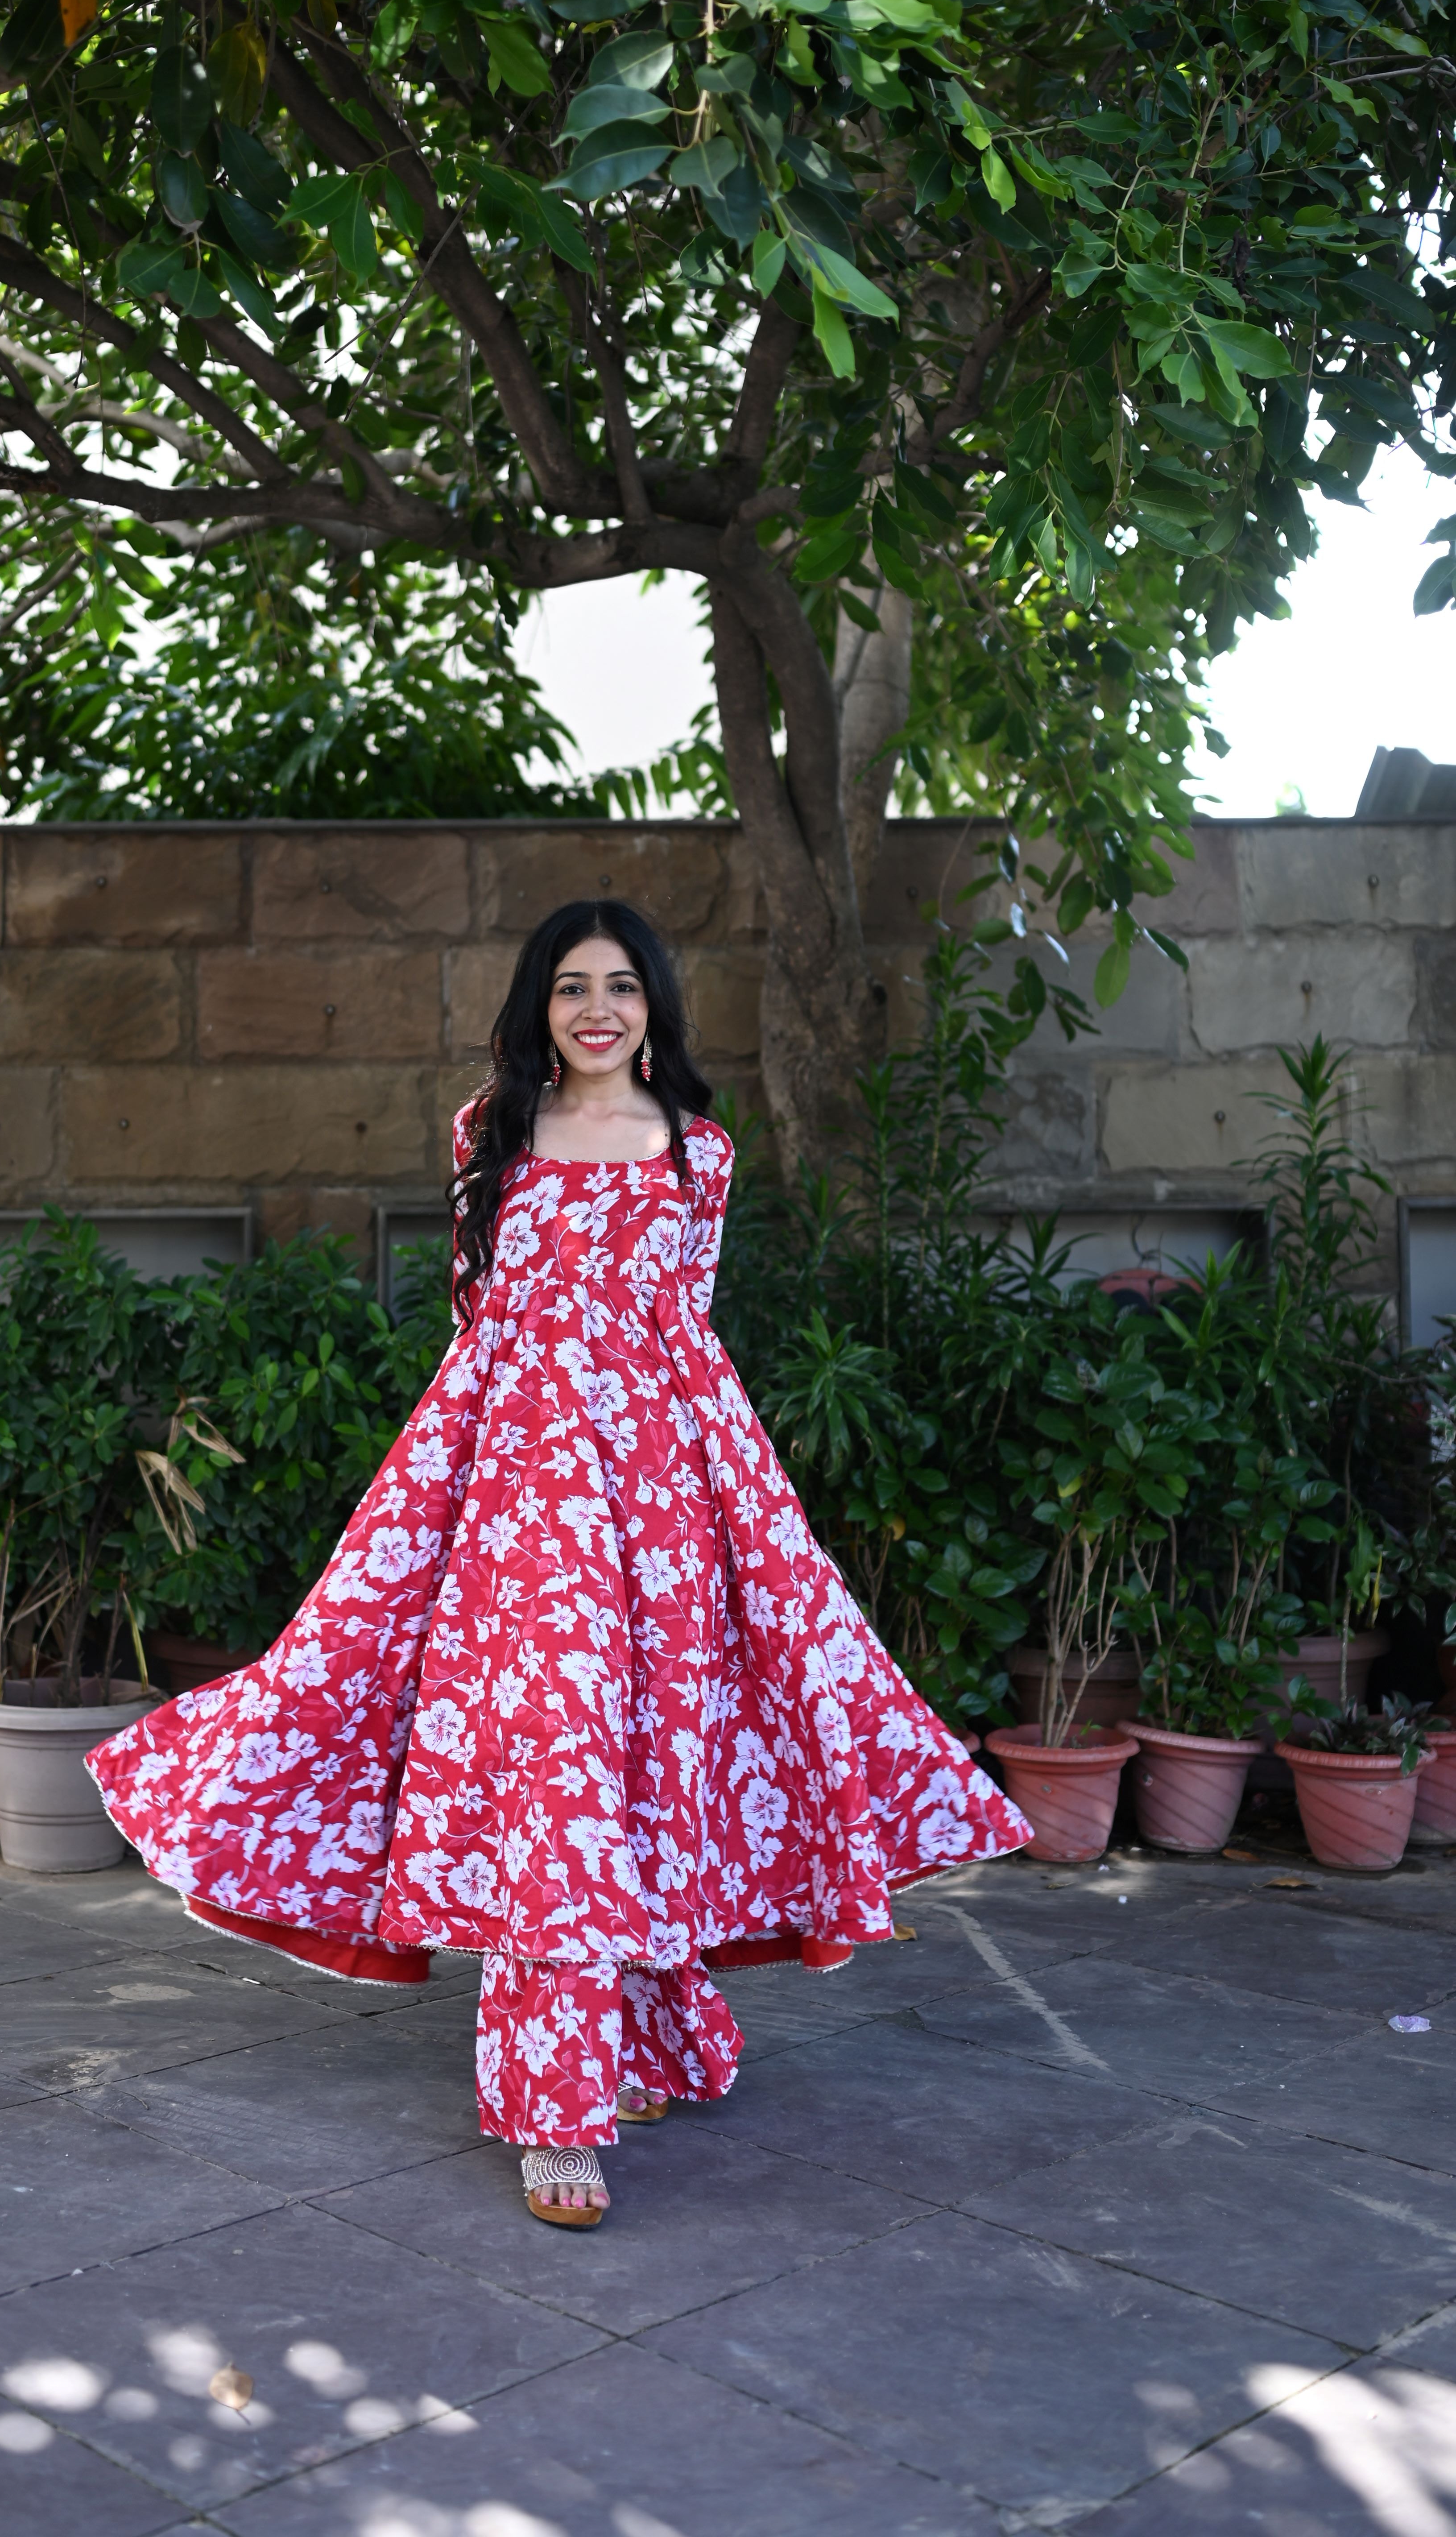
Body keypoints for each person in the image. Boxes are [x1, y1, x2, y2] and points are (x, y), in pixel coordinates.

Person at [88, 901, 1030, 2228]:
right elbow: (483, 1326)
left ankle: (642, 2035)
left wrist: (728, 1523)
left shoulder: (700, 1154)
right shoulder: (491, 1136)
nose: (599, 1008)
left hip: (666, 1496)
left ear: (657, 1009)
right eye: (573, 986)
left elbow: (686, 1339)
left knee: (656, 1756)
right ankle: (553, 2109)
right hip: (518, 1504)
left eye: (625, 987)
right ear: (539, 1005)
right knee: (554, 1764)